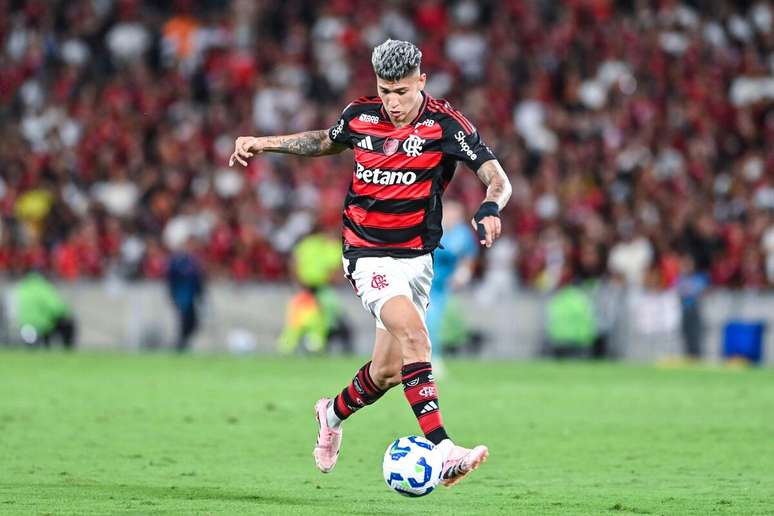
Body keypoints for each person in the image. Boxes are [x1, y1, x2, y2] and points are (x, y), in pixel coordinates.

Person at [229, 39, 512, 487]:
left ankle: (331, 414)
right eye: (385, 91)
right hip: (366, 253)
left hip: (417, 259)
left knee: (386, 372)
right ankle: (443, 449)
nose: (393, 102)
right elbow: (324, 140)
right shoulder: (360, 116)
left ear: (421, 81)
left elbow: (496, 176)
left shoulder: (445, 125)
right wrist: (264, 143)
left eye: (402, 91)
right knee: (416, 337)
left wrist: (491, 206)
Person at [278, 230, 353, 354]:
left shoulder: (308, 244)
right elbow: (338, 272)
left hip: (310, 288)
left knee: (301, 317)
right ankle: (312, 345)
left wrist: (297, 281)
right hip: (315, 288)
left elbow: (293, 262)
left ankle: (292, 347)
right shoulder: (329, 247)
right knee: (319, 317)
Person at [426, 200, 479, 361]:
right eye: (448, 212)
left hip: (445, 285)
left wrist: (462, 275)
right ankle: (427, 358)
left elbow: (469, 258)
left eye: (455, 213)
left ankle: (434, 357)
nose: (451, 216)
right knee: (427, 320)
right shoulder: (431, 227)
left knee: (437, 321)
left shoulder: (463, 234)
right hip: (424, 281)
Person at [14, 271, 77, 348]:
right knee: (67, 324)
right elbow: (56, 308)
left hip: (25, 326)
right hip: (42, 325)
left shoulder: (22, 289)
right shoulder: (43, 288)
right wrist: (66, 313)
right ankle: (67, 349)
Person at [166, 239, 205, 351]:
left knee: (193, 321)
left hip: (191, 295)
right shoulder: (177, 262)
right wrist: (172, 294)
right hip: (181, 295)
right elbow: (171, 279)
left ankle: (182, 342)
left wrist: (200, 293)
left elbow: (198, 279)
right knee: (184, 319)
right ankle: (180, 343)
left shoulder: (193, 261)